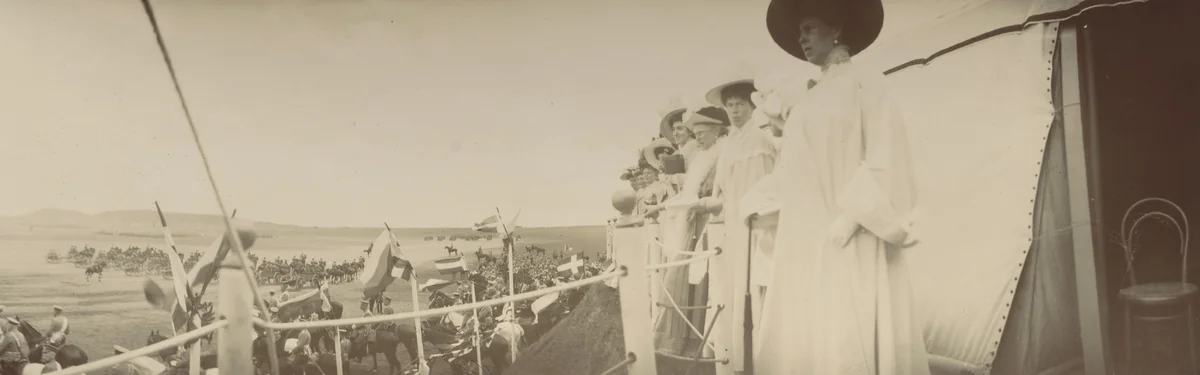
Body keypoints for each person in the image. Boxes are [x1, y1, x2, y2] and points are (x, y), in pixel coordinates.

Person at [752, 0, 928, 373]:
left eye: (810, 29)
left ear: (837, 31)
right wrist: (761, 203)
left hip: (852, 231)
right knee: (812, 330)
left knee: (850, 330)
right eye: (800, 32)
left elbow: (887, 152)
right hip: (807, 232)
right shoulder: (807, 100)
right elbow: (793, 166)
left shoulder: (866, 84)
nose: (802, 39)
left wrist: (853, 217)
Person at [694, 76, 781, 375]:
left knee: (754, 288)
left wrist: (729, 206)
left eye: (739, 105)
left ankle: (758, 359)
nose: (734, 110)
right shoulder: (732, 141)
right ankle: (738, 357)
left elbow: (760, 190)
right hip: (733, 225)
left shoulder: (758, 141)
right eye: (729, 105)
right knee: (733, 288)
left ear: (750, 106)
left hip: (754, 228)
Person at [645, 106, 729, 355]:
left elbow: (708, 195)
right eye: (697, 132)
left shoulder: (719, 155)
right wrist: (660, 206)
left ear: (716, 132)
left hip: (708, 223)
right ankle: (685, 342)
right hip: (693, 223)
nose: (698, 137)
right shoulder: (703, 157)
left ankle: (702, 342)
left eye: (702, 132)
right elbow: (686, 195)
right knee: (688, 279)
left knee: (701, 280)